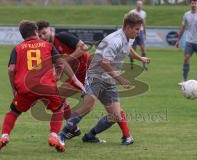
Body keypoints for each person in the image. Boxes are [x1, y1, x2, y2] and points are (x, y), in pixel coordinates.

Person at [0, 20, 85, 153]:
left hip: (25, 87)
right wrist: (74, 80)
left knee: (13, 112)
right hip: (46, 87)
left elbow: (11, 69)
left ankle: (4, 136)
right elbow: (61, 63)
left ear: (22, 35)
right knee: (58, 110)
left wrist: (14, 88)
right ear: (36, 32)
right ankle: (53, 136)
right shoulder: (47, 45)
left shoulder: (17, 48)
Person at [60, 12, 150, 145]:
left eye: (139, 29)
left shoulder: (128, 37)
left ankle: (90, 136)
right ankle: (62, 134)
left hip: (108, 79)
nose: (139, 32)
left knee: (115, 116)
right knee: (88, 106)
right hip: (95, 75)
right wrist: (120, 79)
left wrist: (140, 58)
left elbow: (128, 48)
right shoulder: (115, 40)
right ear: (127, 27)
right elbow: (104, 62)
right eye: (137, 29)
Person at [36, 20, 91, 139]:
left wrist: (66, 60)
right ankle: (74, 129)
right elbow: (59, 67)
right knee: (58, 98)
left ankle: (73, 129)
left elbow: (84, 48)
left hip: (87, 72)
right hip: (76, 76)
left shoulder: (62, 36)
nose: (42, 37)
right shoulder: (48, 48)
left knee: (58, 98)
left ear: (50, 29)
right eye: (39, 35)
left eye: (44, 33)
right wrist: (55, 78)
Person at [129, 0, 147, 70]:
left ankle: (144, 65)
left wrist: (145, 32)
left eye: (141, 5)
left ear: (142, 6)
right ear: (136, 5)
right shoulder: (132, 12)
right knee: (133, 49)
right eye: (138, 4)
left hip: (141, 31)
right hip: (133, 32)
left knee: (143, 48)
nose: (139, 6)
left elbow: (144, 23)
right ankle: (132, 65)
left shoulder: (143, 13)